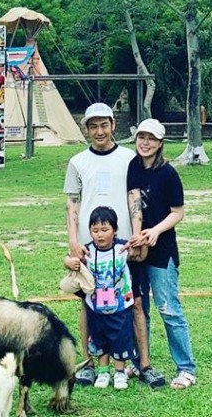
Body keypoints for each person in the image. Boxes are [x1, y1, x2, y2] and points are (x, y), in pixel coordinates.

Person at [64, 102, 166, 388]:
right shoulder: (77, 162)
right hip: (89, 247)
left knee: (134, 303)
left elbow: (134, 198)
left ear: (113, 125)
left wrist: (137, 236)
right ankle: (89, 363)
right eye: (93, 126)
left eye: (104, 125)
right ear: (87, 129)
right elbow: (72, 203)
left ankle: (143, 363)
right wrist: (73, 241)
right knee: (88, 303)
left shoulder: (128, 158)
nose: (99, 131)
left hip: (123, 247)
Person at [127, 118, 198, 389]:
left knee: (168, 308)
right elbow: (134, 200)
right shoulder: (133, 167)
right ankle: (139, 361)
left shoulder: (168, 174)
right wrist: (138, 237)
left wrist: (155, 231)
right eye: (141, 137)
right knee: (138, 307)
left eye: (151, 139)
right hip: (138, 249)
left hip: (163, 252)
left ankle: (186, 368)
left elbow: (178, 212)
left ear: (160, 143)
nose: (145, 143)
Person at [64, 207, 135, 389]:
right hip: (95, 306)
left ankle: (119, 372)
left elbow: (140, 255)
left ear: (115, 230)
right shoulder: (86, 251)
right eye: (95, 231)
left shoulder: (123, 248)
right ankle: (103, 372)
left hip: (120, 306)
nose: (100, 235)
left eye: (105, 230)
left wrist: (140, 241)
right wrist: (68, 262)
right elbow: (69, 259)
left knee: (120, 338)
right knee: (99, 338)